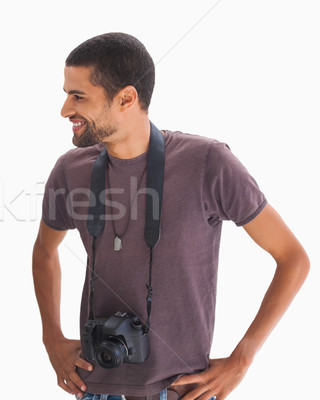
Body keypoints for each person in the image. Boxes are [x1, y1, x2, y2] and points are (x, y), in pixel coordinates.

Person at [32, 32, 309, 400]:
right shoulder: (71, 170)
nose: (65, 109)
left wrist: (243, 358)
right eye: (67, 94)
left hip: (180, 389)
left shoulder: (208, 163)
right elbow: (44, 253)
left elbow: (293, 258)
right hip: (93, 385)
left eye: (78, 96)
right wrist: (51, 337)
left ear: (127, 98)